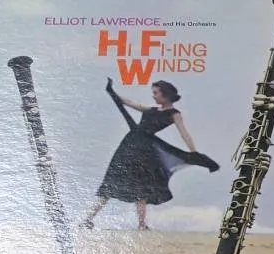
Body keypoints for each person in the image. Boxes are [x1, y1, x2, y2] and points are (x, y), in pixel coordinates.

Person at [81, 79, 219, 230]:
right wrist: (112, 91)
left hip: (142, 150)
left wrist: (194, 152)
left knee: (139, 187)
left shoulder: (174, 114)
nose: (153, 96)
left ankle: (140, 224)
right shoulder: (152, 109)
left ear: (165, 94)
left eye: (155, 93)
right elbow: (129, 103)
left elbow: (184, 134)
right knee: (114, 183)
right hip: (129, 146)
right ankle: (89, 219)